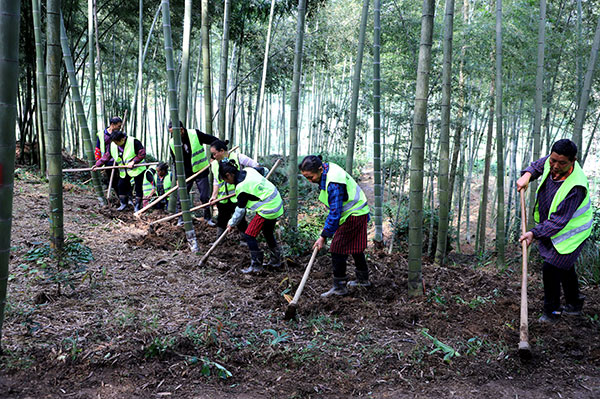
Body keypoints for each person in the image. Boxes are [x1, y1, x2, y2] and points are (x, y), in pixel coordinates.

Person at [517, 139, 593, 323]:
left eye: (561, 163)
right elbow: (538, 165)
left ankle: (552, 312)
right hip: (553, 226)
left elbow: (558, 222)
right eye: (553, 160)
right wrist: (528, 175)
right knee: (564, 266)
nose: (555, 166)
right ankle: (574, 303)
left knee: (551, 267)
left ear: (573, 160)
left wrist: (533, 233)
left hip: (572, 232)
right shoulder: (552, 161)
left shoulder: (576, 186)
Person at [298, 155, 371, 297]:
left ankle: (340, 287)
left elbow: (335, 212)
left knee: (337, 249)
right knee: (355, 247)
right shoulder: (326, 169)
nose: (309, 181)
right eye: (306, 177)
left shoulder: (334, 183)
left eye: (310, 177)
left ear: (320, 169)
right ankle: (363, 279)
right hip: (358, 211)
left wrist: (323, 236)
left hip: (354, 214)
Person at [219, 159, 283, 273]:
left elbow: (240, 211)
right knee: (267, 232)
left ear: (228, 175)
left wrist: (231, 223)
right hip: (277, 201)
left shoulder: (241, 188)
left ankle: (256, 265)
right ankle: (275, 260)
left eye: (225, 180)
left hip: (268, 209)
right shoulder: (249, 170)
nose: (227, 182)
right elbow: (265, 170)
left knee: (249, 234)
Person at [209, 139, 268, 241]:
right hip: (223, 197)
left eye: (214, 154)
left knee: (240, 219)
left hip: (238, 196)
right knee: (222, 218)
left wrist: (249, 181)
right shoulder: (214, 164)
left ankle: (244, 240)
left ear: (222, 151)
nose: (213, 156)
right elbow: (216, 181)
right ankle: (219, 240)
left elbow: (256, 166)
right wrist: (214, 195)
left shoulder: (238, 157)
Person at [168, 121, 218, 225]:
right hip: (185, 173)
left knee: (204, 196)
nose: (173, 135)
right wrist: (177, 177)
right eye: (171, 133)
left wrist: (214, 157)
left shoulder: (194, 134)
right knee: (181, 196)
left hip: (201, 169)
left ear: (181, 130)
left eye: (174, 132)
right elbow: (175, 162)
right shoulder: (172, 142)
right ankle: (181, 218)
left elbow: (213, 140)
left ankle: (208, 218)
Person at [94, 131, 146, 212]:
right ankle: (123, 204)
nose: (116, 143)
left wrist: (134, 161)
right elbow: (107, 156)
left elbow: (142, 154)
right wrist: (98, 164)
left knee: (138, 187)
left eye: (117, 141)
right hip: (124, 171)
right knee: (121, 185)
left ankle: (137, 206)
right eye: (114, 142)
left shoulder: (133, 141)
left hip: (137, 169)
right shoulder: (113, 145)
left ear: (123, 138)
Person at [94, 116, 122, 195]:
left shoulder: (120, 133)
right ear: (112, 124)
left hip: (119, 160)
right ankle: (120, 198)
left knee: (123, 180)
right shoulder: (102, 134)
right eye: (118, 126)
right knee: (113, 181)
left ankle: (126, 198)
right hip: (107, 161)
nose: (120, 128)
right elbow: (98, 149)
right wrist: (98, 162)